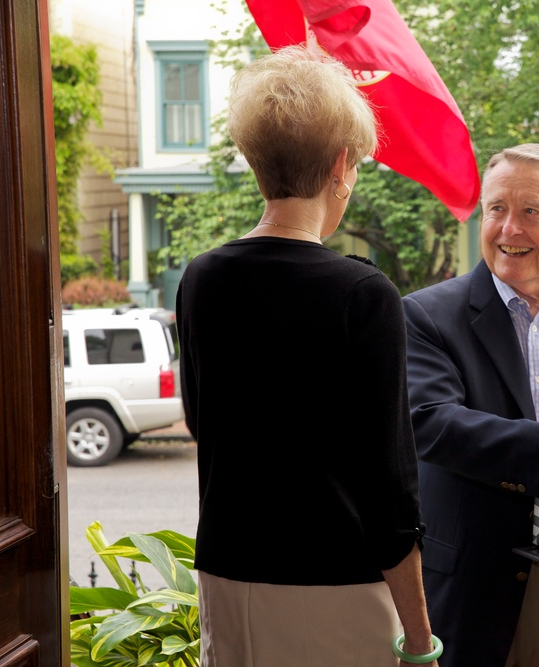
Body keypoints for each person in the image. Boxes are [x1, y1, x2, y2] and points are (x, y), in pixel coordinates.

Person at [175, 45, 440, 667]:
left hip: (226, 572)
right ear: (342, 166)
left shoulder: (201, 278)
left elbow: (201, 424)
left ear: (256, 160)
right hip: (335, 587)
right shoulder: (362, 293)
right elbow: (390, 485)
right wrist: (421, 637)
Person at [402, 143, 539, 667]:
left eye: (531, 212)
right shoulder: (426, 315)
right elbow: (430, 422)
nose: (508, 229)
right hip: (476, 587)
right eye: (496, 208)